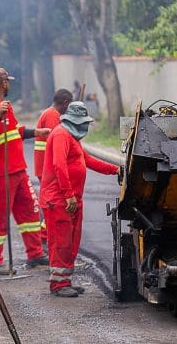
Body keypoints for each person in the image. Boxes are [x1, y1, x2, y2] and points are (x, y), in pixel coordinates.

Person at [39, 101, 120, 297]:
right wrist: (68, 196)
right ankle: (58, 285)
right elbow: (59, 166)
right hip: (60, 200)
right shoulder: (60, 135)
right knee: (61, 243)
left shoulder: (72, 137)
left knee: (71, 243)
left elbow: (87, 160)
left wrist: (115, 169)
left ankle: (65, 280)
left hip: (71, 200)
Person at [0, 67, 50, 274]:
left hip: (17, 169)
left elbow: (15, 131)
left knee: (29, 209)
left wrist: (37, 132)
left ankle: (35, 254)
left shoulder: (5, 106)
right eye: (7, 81)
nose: (9, 84)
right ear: (4, 83)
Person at [33, 88, 74, 244]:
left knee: (52, 206)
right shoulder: (52, 116)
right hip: (47, 168)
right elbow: (57, 141)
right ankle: (45, 237)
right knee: (53, 207)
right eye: (69, 104)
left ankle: (46, 237)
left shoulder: (52, 114)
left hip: (45, 167)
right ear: (65, 103)